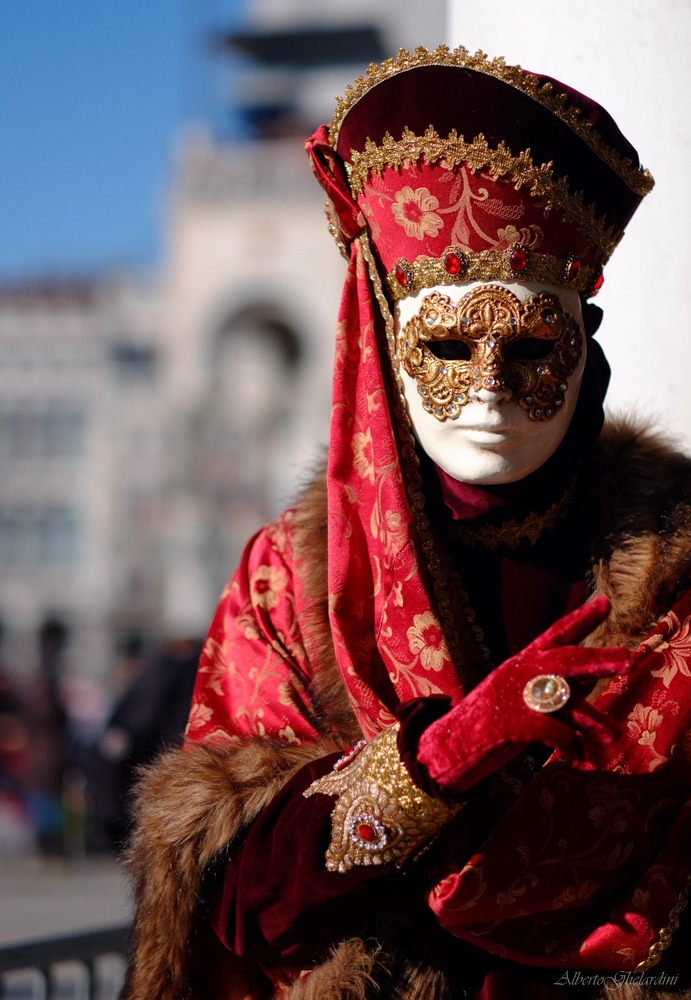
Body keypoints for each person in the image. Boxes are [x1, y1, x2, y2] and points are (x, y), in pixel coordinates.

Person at [121, 46, 691, 1000]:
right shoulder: (294, 581)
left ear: (581, 350)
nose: (491, 390)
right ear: (386, 349)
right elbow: (235, 900)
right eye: (447, 345)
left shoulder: (679, 561)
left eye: (529, 346)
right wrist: (445, 753)